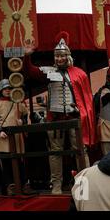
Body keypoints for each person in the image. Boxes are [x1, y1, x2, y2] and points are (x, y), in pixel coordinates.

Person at [24, 34, 96, 194]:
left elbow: (86, 98)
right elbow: (31, 72)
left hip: (74, 118)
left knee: (80, 151)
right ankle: (56, 185)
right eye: (57, 55)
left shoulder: (79, 74)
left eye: (63, 55)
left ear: (68, 56)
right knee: (55, 152)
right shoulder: (49, 72)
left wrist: (80, 111)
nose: (60, 58)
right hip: (55, 119)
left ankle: (85, 184)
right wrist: (27, 57)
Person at [0, 79, 32, 195]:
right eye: (5, 89)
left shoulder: (19, 103)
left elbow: (26, 118)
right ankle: (10, 186)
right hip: (4, 136)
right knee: (6, 163)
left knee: (20, 162)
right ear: (1, 90)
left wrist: (22, 121)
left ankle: (24, 185)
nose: (7, 90)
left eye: (10, 88)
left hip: (17, 137)